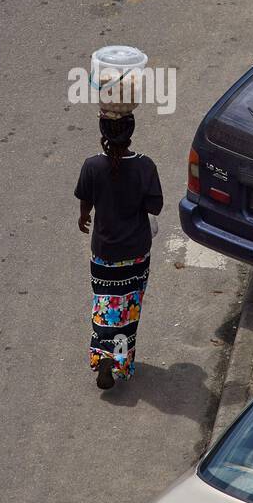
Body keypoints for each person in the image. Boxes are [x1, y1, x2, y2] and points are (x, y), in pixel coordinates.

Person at [75, 113, 163, 389]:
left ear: (102, 130)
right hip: (135, 254)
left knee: (104, 305)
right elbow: (155, 207)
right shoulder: (145, 166)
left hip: (103, 253)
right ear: (131, 130)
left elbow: (85, 203)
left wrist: (84, 216)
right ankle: (120, 361)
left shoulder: (92, 166)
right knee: (128, 311)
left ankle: (102, 352)